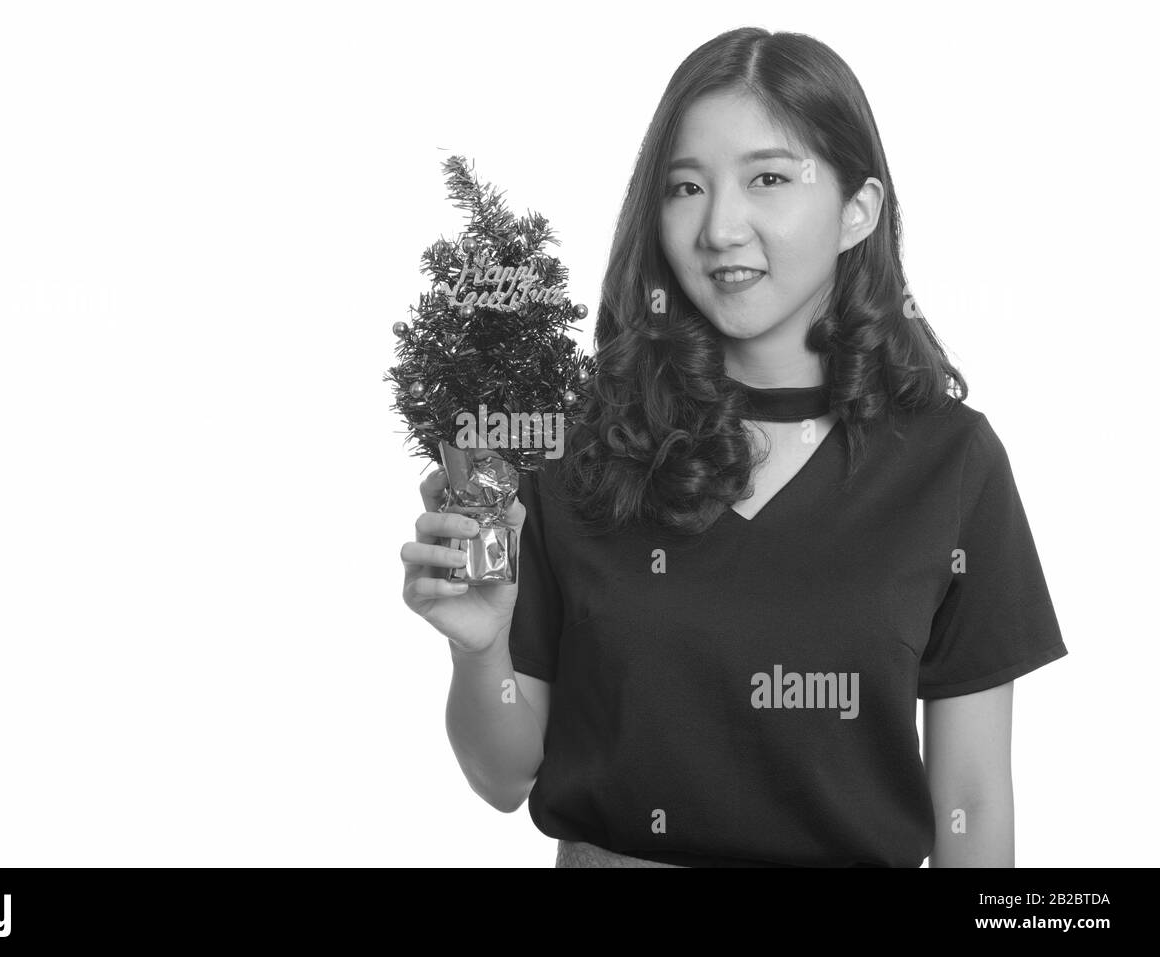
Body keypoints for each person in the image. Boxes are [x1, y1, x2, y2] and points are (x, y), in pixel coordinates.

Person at [400, 27, 1067, 868]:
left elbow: (971, 802)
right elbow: (503, 775)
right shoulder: (576, 451)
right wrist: (480, 645)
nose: (720, 227)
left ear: (858, 209)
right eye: (686, 186)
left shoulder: (951, 464)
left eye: (769, 178)